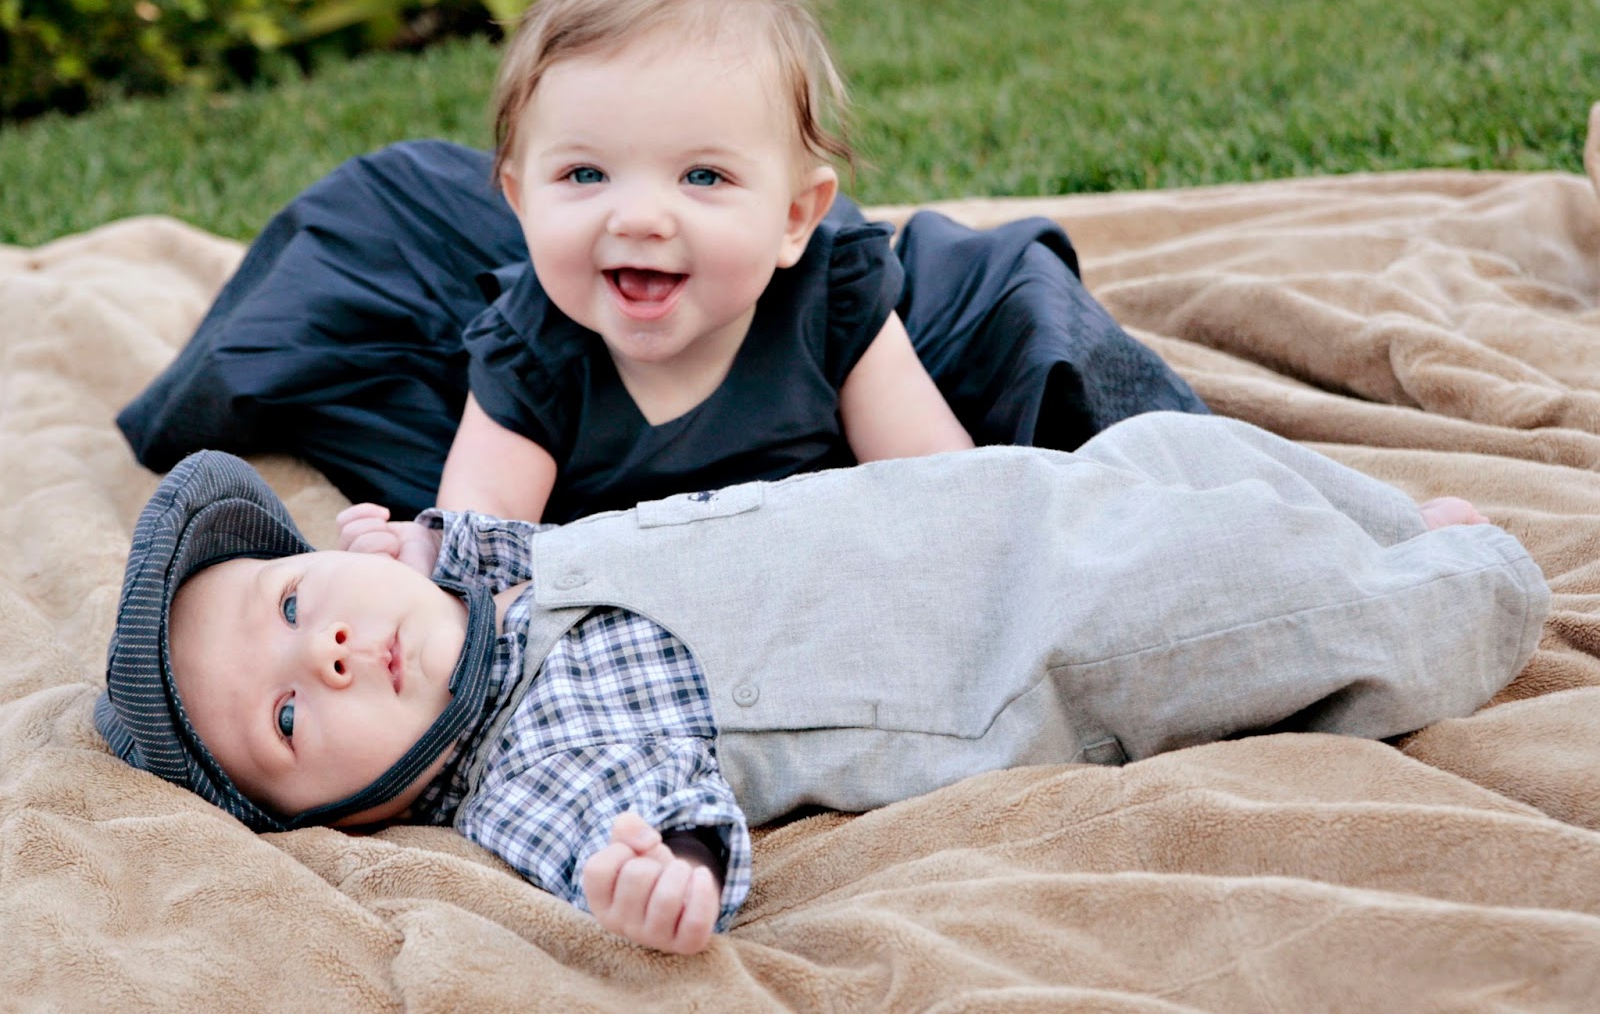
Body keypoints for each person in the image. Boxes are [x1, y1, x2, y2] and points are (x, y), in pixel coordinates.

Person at [96, 412, 1548, 955]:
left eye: (296, 601)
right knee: (1243, 606)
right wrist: (656, 879)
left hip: (992, 500)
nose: (331, 646)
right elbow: (641, 822)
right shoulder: (528, 757)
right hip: (1032, 638)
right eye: (292, 711)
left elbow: (472, 542)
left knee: (1182, 453)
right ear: (341, 814)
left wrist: (413, 537)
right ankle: (1467, 590)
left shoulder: (490, 576)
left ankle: (1387, 519)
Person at [339, 0, 973, 548]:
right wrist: (428, 555)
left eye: (702, 175)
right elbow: (482, 544)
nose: (639, 218)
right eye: (586, 173)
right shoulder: (530, 354)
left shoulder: (835, 300)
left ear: (793, 218)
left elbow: (944, 492)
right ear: (520, 201)